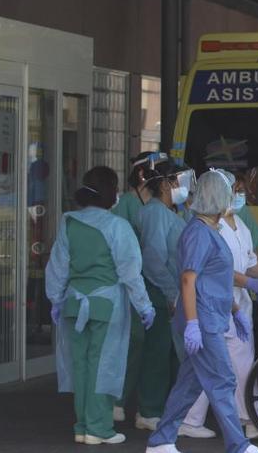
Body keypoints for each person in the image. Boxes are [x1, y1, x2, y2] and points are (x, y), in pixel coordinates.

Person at [146, 170, 258, 453]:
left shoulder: (209, 231)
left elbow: (212, 279)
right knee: (222, 379)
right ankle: (238, 445)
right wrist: (192, 323)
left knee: (190, 384)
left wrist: (235, 309)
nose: (234, 197)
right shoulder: (199, 233)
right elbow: (189, 280)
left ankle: (161, 440)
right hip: (203, 320)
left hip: (212, 316)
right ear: (218, 196)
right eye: (230, 192)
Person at [180, 171, 258, 440]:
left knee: (232, 367)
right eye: (235, 189)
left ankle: (241, 419)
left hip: (235, 307)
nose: (240, 195)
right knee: (216, 370)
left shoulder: (240, 226)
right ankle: (233, 425)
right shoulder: (205, 229)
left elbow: (248, 263)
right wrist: (249, 284)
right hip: (213, 305)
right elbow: (211, 272)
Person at [45, 166, 155, 445]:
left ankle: (82, 426)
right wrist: (144, 306)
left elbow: (57, 267)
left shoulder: (68, 222)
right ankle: (99, 427)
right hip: (107, 306)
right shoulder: (118, 226)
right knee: (103, 368)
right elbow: (130, 272)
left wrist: (55, 300)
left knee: (79, 367)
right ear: (110, 192)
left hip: (73, 303)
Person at [116, 162, 190, 431]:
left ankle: (160, 408)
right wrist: (171, 292)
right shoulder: (156, 213)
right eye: (181, 180)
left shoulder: (172, 212)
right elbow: (154, 258)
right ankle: (149, 410)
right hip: (159, 292)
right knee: (157, 353)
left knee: (168, 352)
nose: (186, 186)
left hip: (170, 291)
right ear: (166, 183)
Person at [113, 151, 168, 422]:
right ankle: (118, 400)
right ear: (144, 175)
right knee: (133, 343)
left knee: (157, 348)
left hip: (156, 285)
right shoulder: (126, 203)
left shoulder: (164, 206)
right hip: (132, 284)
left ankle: (148, 408)